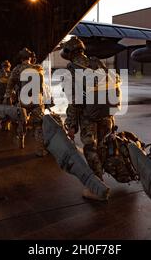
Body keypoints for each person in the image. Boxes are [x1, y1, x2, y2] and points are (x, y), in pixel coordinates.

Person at [61, 37, 119, 202]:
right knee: (103, 146)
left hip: (89, 117)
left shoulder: (72, 70)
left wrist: (72, 125)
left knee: (90, 149)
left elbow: (74, 101)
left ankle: (97, 187)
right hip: (107, 114)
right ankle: (108, 173)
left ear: (70, 53)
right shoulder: (96, 63)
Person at [4, 48, 47, 157]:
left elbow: (10, 84)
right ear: (31, 58)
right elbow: (43, 87)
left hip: (24, 100)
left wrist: (8, 96)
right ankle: (40, 150)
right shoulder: (38, 69)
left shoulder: (18, 69)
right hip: (37, 100)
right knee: (38, 125)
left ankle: (21, 141)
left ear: (21, 58)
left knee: (21, 121)